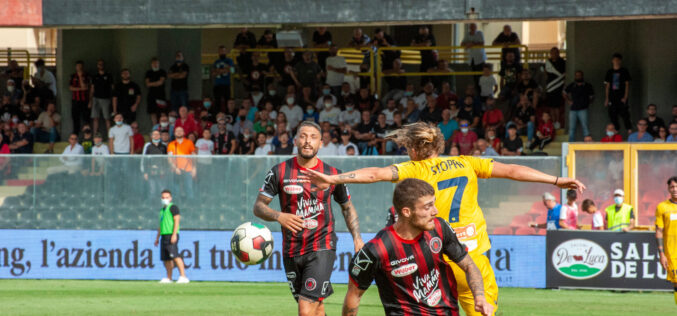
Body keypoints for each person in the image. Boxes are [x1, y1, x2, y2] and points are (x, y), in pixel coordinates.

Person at [301, 122, 584, 316]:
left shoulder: (414, 168)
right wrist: (556, 180)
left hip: (433, 264)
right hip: (472, 261)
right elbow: (511, 170)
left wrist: (333, 178)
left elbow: (374, 174)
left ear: (413, 148)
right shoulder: (468, 163)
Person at [253, 121, 363, 316]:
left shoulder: (332, 174)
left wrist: (357, 238)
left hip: (322, 246)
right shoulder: (279, 171)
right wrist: (279, 216)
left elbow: (347, 207)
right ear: (295, 140)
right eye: (303, 136)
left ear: (321, 143)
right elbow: (259, 206)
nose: (307, 141)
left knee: (305, 308)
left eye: (313, 137)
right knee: (317, 308)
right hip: (291, 250)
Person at [344, 178, 493, 316]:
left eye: (434, 203)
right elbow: (354, 295)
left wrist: (479, 297)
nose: (435, 211)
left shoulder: (440, 228)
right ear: (407, 212)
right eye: (428, 207)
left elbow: (469, 265)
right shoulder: (375, 250)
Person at [154, 190, 189, 284]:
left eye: (166, 197)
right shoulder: (162, 210)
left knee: (175, 255)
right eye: (163, 197)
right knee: (166, 259)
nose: (164, 199)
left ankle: (183, 276)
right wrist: (157, 238)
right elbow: (160, 225)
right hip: (164, 235)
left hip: (171, 234)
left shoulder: (173, 207)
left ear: (170, 198)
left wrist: (174, 234)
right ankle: (169, 278)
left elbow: (177, 220)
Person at [655, 176, 677, 304]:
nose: (675, 189)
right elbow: (659, 231)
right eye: (672, 187)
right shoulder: (662, 207)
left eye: (676, 186)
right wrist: (661, 254)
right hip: (672, 253)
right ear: (668, 189)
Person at [604, 53, 632, 134]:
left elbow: (627, 85)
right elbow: (607, 86)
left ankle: (629, 130)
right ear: (612, 61)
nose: (616, 61)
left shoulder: (624, 71)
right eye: (615, 60)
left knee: (625, 114)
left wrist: (625, 97)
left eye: (618, 60)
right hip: (612, 97)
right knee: (612, 115)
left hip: (621, 96)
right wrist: (607, 98)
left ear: (620, 61)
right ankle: (616, 131)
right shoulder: (609, 72)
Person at [563, 70, 594, 142]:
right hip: (573, 109)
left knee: (585, 127)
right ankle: (571, 146)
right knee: (571, 129)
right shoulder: (572, 85)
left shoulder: (587, 85)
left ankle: (587, 145)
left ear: (582, 76)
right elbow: (564, 93)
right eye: (577, 75)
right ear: (575, 76)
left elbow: (592, 96)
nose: (578, 77)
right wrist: (568, 101)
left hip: (583, 109)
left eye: (579, 75)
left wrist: (587, 102)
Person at [167, 127, 196, 200]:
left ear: (184, 133)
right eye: (177, 131)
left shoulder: (189, 142)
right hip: (176, 170)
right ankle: (178, 205)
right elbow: (169, 158)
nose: (179, 132)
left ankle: (190, 206)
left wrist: (194, 168)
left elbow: (194, 156)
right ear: (174, 133)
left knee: (189, 188)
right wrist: (175, 168)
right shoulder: (171, 144)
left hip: (188, 169)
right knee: (176, 189)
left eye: (181, 131)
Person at [543, 47, 566, 128]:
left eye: (556, 53)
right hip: (550, 87)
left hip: (558, 86)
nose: (554, 54)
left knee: (557, 106)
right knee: (551, 106)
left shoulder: (562, 62)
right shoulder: (548, 62)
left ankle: (557, 121)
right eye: (552, 53)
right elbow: (546, 73)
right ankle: (553, 121)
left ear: (558, 53)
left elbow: (564, 74)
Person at [90, 59, 114, 134]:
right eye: (99, 64)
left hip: (105, 99)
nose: (101, 65)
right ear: (97, 66)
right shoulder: (95, 76)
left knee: (107, 118)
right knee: (95, 118)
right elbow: (92, 89)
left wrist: (112, 98)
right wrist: (90, 101)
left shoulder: (109, 75)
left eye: (102, 64)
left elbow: (112, 87)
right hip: (95, 98)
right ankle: (95, 135)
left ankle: (110, 136)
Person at [141, 130, 167, 198]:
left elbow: (166, 160)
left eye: (157, 134)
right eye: (154, 134)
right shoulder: (148, 147)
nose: (156, 136)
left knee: (162, 189)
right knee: (152, 189)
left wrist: (164, 170)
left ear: (160, 136)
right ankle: (151, 205)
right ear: (151, 136)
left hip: (161, 171)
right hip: (151, 171)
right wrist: (145, 172)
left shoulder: (163, 147)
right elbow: (145, 160)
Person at [69, 60, 91, 134]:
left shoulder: (87, 75)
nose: (79, 68)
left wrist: (80, 77)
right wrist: (81, 89)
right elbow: (71, 88)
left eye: (81, 66)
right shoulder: (73, 76)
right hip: (75, 100)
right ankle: (75, 137)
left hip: (85, 100)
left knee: (86, 120)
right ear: (76, 67)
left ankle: (87, 137)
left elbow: (85, 87)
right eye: (78, 66)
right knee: (75, 120)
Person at [145, 57, 168, 125]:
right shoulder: (148, 72)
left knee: (162, 112)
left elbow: (161, 82)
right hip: (151, 95)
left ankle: (163, 126)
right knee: (152, 112)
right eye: (154, 63)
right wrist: (156, 83)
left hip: (161, 95)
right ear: (151, 64)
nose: (155, 64)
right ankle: (155, 128)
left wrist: (152, 83)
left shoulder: (162, 72)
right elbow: (147, 84)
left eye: (156, 63)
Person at [211, 46, 234, 112]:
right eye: (220, 51)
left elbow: (231, 70)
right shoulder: (216, 62)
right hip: (217, 85)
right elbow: (213, 73)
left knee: (227, 102)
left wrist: (218, 71)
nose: (222, 52)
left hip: (226, 84)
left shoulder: (229, 61)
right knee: (217, 102)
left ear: (226, 52)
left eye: (223, 51)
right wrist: (224, 70)